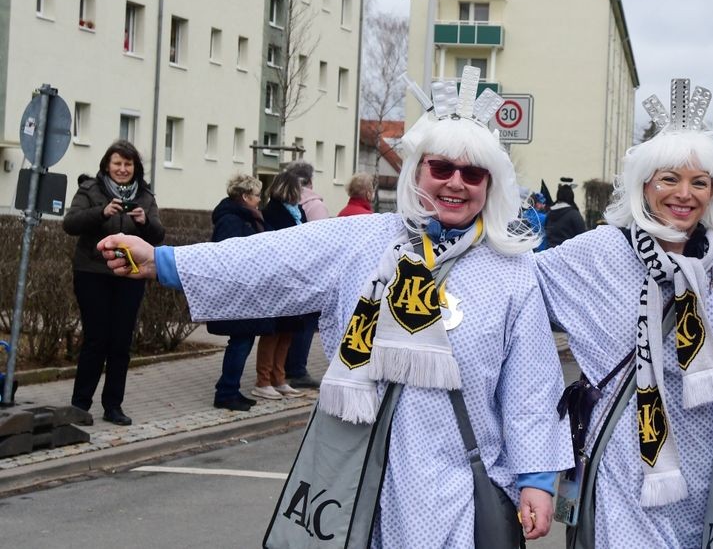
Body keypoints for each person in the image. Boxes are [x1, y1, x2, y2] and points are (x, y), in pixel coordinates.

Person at [94, 79, 571, 545]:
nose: (454, 183)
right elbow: (268, 260)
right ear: (417, 171)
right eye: (441, 167)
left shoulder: (511, 273)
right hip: (354, 480)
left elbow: (529, 386)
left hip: (453, 491)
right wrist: (163, 261)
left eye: (472, 174)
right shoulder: (364, 240)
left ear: (490, 184)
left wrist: (536, 478)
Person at [535, 84, 713, 547]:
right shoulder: (598, 250)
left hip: (701, 456)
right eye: (669, 178)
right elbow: (513, 293)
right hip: (621, 454)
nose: (684, 194)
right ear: (644, 184)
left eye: (699, 182)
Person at [63, 140, 165, 426]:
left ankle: (113, 406)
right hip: (92, 273)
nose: (122, 169)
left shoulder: (145, 195)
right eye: (117, 163)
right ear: (107, 165)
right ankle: (80, 405)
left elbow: (158, 235)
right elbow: (70, 224)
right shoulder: (90, 190)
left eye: (128, 164)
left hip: (129, 275)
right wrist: (101, 212)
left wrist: (145, 221)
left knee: (121, 341)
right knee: (96, 339)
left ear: (135, 168)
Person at [208, 173, 276, 411]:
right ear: (246, 196)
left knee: (243, 341)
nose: (260, 200)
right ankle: (226, 392)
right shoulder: (232, 220)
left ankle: (230, 388)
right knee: (240, 341)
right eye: (257, 195)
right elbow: (228, 254)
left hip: (248, 291)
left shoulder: (248, 217)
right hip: (238, 291)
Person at [253, 167, 309, 400]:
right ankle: (263, 380)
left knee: (287, 331)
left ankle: (279, 377)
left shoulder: (299, 213)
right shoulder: (271, 212)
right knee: (272, 331)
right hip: (277, 279)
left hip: (296, 279)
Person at [281, 161, 328, 389]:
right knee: (306, 322)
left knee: (289, 322)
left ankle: (284, 367)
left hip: (288, 269)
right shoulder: (315, 204)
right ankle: (297, 369)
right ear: (310, 180)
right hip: (309, 272)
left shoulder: (283, 200)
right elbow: (322, 240)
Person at [545, 178, 586, 248]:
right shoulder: (574, 215)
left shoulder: (549, 213)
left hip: (550, 252)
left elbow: (546, 232)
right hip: (568, 254)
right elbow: (583, 237)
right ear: (571, 196)